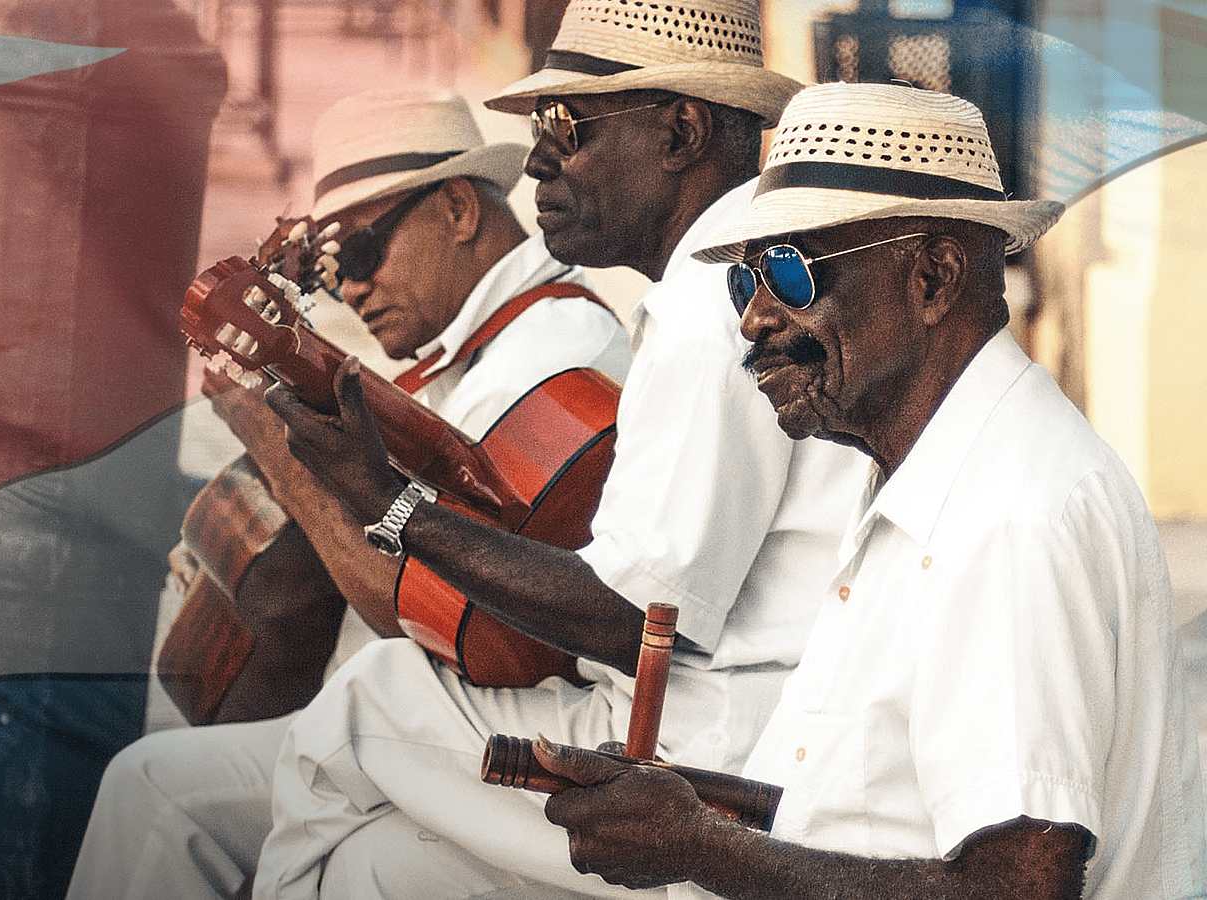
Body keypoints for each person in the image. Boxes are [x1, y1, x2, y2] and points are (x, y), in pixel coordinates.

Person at [249, 1, 870, 897]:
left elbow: (632, 618)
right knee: (370, 866)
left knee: (360, 706)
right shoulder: (745, 274)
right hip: (724, 720)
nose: (537, 159)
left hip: (699, 752)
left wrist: (393, 505)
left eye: (566, 126)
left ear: (681, 131)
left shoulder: (714, 310)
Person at [534, 81, 1207, 899]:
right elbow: (874, 809)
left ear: (933, 277)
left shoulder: (1008, 518)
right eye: (744, 283)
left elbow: (1016, 887)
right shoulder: (927, 484)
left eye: (791, 270)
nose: (754, 320)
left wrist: (699, 849)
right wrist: (689, 815)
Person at [63, 88, 633, 900]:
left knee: (155, 795)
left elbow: (415, 604)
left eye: (358, 256)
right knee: (149, 785)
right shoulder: (484, 347)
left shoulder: (552, 355)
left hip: (468, 734)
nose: (350, 292)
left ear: (460, 208)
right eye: (328, 272)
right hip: (399, 718)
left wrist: (266, 434)